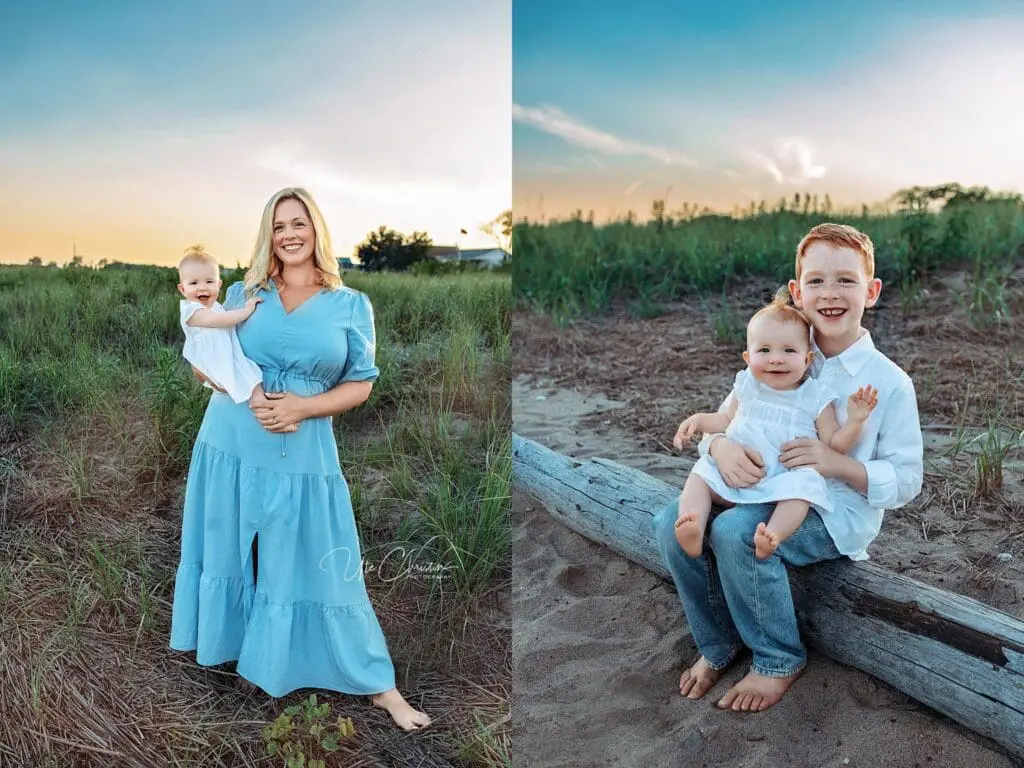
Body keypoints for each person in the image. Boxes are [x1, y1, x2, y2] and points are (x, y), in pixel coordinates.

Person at [169, 187, 431, 731]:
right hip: (231, 440)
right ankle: (232, 652)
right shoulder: (244, 291)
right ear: (269, 233)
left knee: (323, 558)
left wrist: (302, 408)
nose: (290, 234)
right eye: (280, 225)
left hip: (304, 447)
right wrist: (233, 385)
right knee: (226, 547)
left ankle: (380, 687)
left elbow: (360, 385)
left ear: (316, 231)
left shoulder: (351, 304)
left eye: (299, 223)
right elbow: (203, 359)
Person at [653, 223, 923, 713]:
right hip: (763, 485)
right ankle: (719, 644)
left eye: (846, 280)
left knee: (736, 529)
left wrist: (834, 462)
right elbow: (732, 419)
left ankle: (778, 658)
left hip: (835, 513)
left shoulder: (890, 382)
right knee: (669, 523)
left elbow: (907, 481)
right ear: (797, 292)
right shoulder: (778, 345)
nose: (831, 293)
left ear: (872, 290)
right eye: (816, 281)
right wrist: (716, 448)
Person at [672, 290, 878, 560]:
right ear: (748, 358)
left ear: (807, 360)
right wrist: (698, 420)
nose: (776, 358)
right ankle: (692, 523)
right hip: (736, 474)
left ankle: (773, 535)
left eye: (789, 350)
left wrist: (855, 422)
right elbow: (724, 420)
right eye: (764, 350)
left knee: (804, 488)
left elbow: (834, 444)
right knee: (700, 474)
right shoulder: (747, 385)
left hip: (783, 478)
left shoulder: (814, 395)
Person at [176, 245, 295, 428]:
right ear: (182, 289)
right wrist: (247, 310)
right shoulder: (191, 311)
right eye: (193, 283)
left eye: (209, 282)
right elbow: (223, 320)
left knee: (253, 381)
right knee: (249, 384)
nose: (202, 288)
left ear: (219, 284)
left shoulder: (214, 305)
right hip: (216, 359)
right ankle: (273, 419)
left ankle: (275, 417)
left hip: (227, 354)